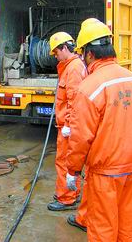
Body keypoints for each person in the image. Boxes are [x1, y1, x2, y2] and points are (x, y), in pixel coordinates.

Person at [65, 18, 132, 241]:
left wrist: (72, 170)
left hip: (106, 171)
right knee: (125, 224)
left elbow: (81, 137)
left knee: (103, 227)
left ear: (89, 54)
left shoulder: (90, 87)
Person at [47, 32, 87, 211]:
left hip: (68, 126)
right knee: (67, 161)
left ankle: (67, 199)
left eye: (56, 52)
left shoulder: (74, 68)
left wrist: (69, 126)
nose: (55, 56)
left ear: (64, 48)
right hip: (65, 124)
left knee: (65, 162)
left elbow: (74, 100)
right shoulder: (70, 66)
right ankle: (71, 192)